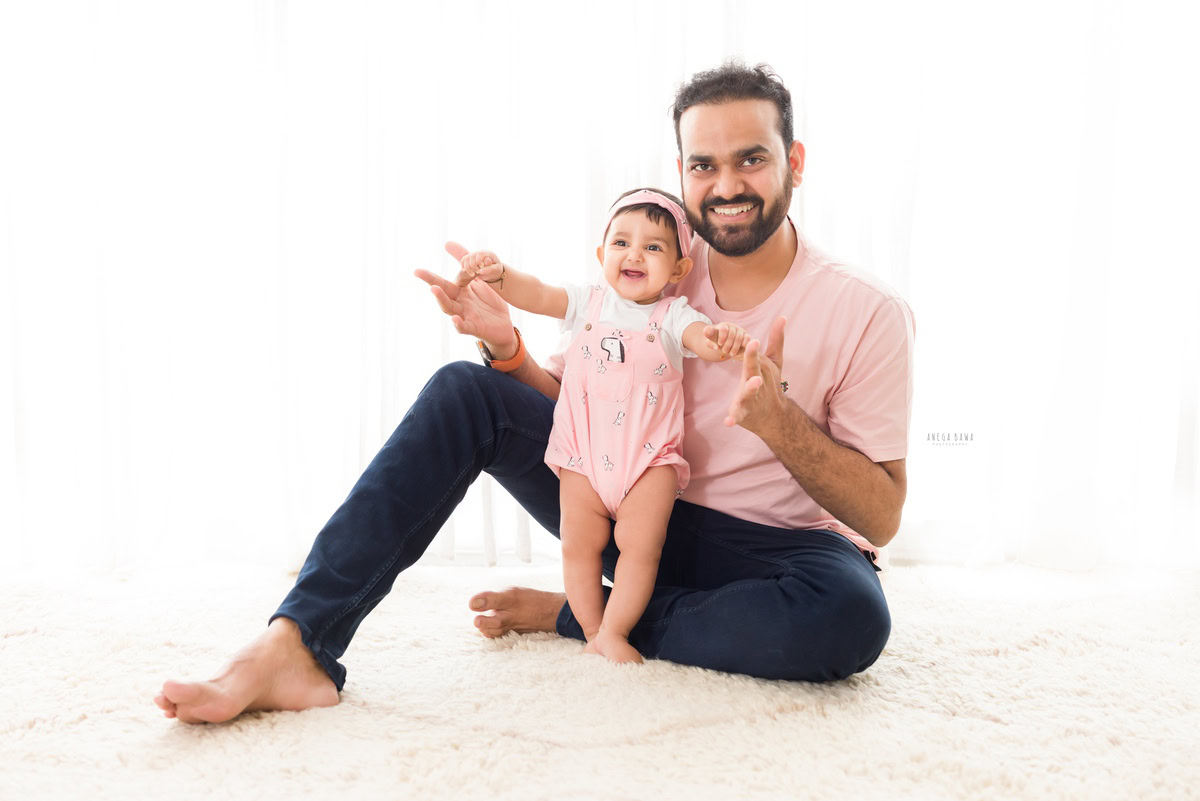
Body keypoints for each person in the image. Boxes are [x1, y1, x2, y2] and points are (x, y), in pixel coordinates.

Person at [153, 60, 914, 725]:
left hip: (770, 551)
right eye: (702, 165)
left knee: (850, 616)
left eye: (751, 159)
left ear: (796, 161)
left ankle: (572, 615)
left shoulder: (866, 310)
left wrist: (781, 425)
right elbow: (574, 411)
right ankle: (297, 643)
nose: (725, 186)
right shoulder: (651, 265)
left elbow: (880, 512)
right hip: (625, 497)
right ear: (680, 172)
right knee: (467, 389)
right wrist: (507, 345)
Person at [453, 188, 749, 665]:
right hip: (583, 455)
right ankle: (591, 628)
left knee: (639, 550)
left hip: (648, 459)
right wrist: (501, 275)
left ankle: (615, 629)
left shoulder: (673, 315)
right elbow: (538, 294)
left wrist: (722, 340)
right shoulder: (587, 303)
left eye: (653, 247)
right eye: (621, 243)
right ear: (601, 254)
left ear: (677, 269)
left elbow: (703, 341)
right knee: (579, 546)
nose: (634, 254)